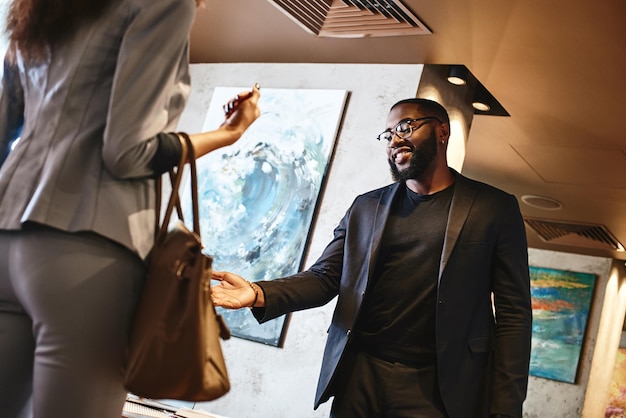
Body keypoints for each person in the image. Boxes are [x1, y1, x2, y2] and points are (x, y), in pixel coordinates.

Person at [0, 0, 260, 417]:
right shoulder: (162, 4)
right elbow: (128, 152)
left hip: (6, 240)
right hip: (86, 247)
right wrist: (229, 134)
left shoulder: (37, 8)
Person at [211, 98, 532, 418]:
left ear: (442, 131)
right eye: (388, 133)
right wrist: (257, 293)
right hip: (359, 374)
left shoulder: (493, 209)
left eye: (406, 126)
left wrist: (505, 409)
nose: (395, 139)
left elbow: (513, 316)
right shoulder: (366, 207)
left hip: (438, 387)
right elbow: (325, 278)